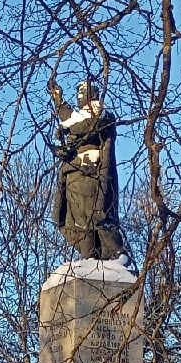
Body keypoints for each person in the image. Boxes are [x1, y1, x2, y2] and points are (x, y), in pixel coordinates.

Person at [50, 77, 126, 262]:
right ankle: (88, 258)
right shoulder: (78, 117)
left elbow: (87, 126)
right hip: (74, 176)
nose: (79, 96)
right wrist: (58, 99)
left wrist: (67, 129)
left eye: (83, 92)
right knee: (79, 223)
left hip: (93, 175)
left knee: (97, 216)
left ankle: (116, 255)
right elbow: (70, 117)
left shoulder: (102, 115)